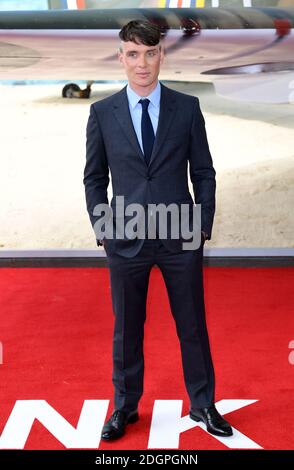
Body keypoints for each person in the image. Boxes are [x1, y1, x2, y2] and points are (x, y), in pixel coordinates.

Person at [83, 19, 233, 441]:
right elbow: (94, 179)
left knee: (192, 325)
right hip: (125, 239)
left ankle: (203, 405)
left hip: (179, 238)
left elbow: (204, 172)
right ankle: (125, 408)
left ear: (162, 55)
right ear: (121, 58)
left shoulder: (187, 109)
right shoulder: (102, 112)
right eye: (133, 54)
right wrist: (104, 227)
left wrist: (201, 226)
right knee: (127, 327)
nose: (142, 63)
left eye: (150, 53)